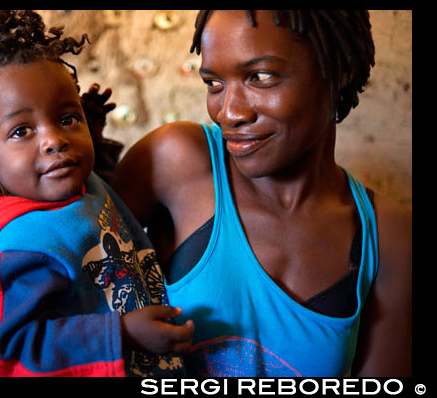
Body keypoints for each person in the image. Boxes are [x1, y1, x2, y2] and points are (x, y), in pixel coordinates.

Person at [110, 10, 411, 377]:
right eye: (214, 83)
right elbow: (53, 282)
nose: (229, 113)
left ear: (338, 69)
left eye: (261, 77)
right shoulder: (176, 163)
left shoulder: (386, 236)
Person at [0, 10, 193, 377]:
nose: (54, 140)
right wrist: (120, 333)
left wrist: (96, 139)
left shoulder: (80, 185)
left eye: (67, 119)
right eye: (21, 131)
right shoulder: (19, 248)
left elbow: (97, 209)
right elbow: (10, 348)